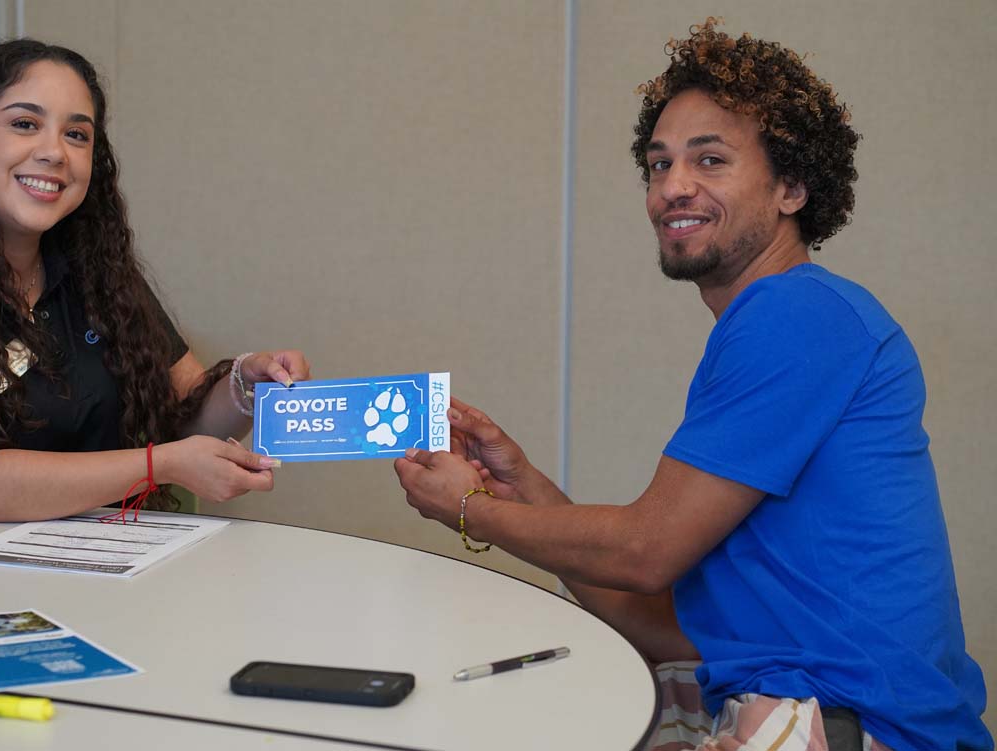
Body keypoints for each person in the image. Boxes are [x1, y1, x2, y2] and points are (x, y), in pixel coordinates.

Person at [394, 19, 990, 751]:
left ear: (792, 187)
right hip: (797, 702)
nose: (673, 186)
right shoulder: (775, 321)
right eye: (659, 164)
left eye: (710, 160)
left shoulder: (796, 313)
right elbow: (662, 619)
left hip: (858, 727)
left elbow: (646, 550)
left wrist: (467, 508)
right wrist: (525, 491)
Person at [0, 39, 308, 520]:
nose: (54, 152)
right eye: (25, 124)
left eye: (77, 135)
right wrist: (160, 466)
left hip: (96, 566)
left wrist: (247, 386)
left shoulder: (98, 273)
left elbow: (188, 416)